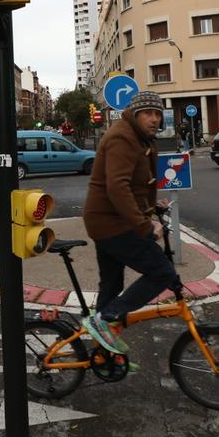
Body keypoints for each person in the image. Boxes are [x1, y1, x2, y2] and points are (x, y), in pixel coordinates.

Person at [81, 91, 177, 354]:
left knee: (112, 285)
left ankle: (103, 356)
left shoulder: (139, 137)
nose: (154, 119)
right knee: (163, 272)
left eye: (158, 113)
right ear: (135, 114)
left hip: (108, 220)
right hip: (112, 223)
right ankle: (103, 320)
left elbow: (135, 183)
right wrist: (145, 226)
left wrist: (151, 206)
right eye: (148, 113)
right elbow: (117, 187)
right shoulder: (123, 137)